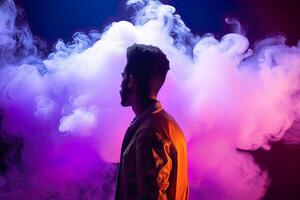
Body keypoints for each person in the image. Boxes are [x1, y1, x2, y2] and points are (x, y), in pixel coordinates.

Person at [115, 44, 189, 200]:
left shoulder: (151, 134)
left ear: (131, 81)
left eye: (123, 75)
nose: (120, 82)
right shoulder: (168, 125)